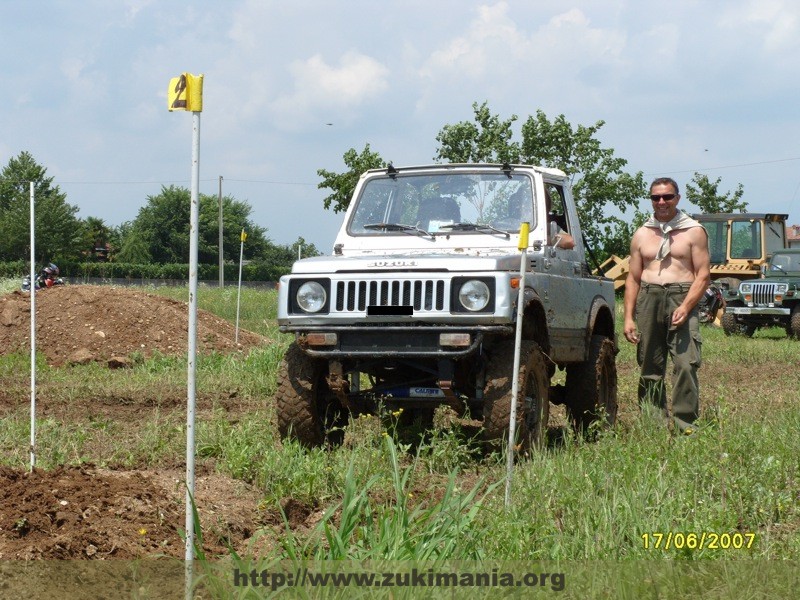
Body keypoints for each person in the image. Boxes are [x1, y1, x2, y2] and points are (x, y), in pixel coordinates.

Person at [623, 177, 711, 434]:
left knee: (685, 364)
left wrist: (685, 306)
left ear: (677, 198)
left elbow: (703, 275)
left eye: (667, 197)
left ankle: (686, 426)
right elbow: (633, 278)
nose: (661, 202)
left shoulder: (694, 231)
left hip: (681, 295)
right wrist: (628, 317)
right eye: (656, 197)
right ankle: (653, 425)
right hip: (649, 298)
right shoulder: (642, 233)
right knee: (650, 364)